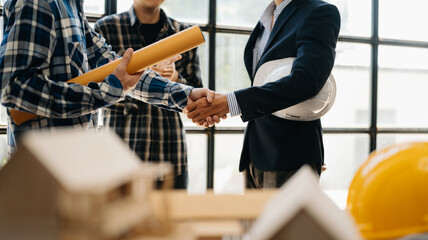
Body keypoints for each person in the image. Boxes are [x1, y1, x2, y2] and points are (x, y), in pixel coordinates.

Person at [0, 0, 215, 157]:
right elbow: (14, 87)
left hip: (75, 165)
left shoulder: (73, 7)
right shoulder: (37, 2)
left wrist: (187, 95)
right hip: (41, 169)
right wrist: (110, 91)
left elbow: (119, 69)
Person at [184, 0, 340, 188]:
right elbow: (264, 82)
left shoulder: (320, 13)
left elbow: (306, 81)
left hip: (291, 156)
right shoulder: (266, 19)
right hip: (254, 154)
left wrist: (230, 102)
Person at [94, 0, 203, 189]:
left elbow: (195, 96)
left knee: (172, 218)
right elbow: (96, 92)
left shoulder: (183, 33)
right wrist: (147, 80)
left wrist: (174, 77)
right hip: (121, 156)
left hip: (171, 155)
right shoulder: (106, 28)